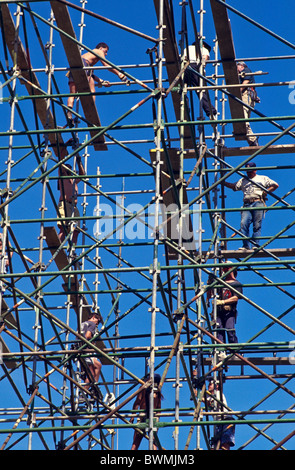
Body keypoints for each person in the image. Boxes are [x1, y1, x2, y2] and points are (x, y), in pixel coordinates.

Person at [66, 42, 128, 126]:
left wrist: (102, 81)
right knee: (92, 87)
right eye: (105, 51)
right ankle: (91, 107)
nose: (106, 54)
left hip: (74, 68)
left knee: (72, 94)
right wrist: (119, 74)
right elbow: (106, 64)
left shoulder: (88, 56)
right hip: (84, 66)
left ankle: (69, 113)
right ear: (101, 48)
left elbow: (92, 74)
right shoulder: (98, 51)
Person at [223, 162, 279, 250]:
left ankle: (255, 245)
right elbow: (234, 186)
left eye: (250, 171)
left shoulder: (262, 178)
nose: (249, 173)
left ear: (255, 170)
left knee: (257, 225)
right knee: (244, 224)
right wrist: (223, 182)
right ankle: (245, 246)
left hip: (258, 202)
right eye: (247, 171)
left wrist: (265, 192)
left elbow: (275, 185)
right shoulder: (243, 180)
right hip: (247, 204)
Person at [207, 264, 243, 350]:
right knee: (219, 331)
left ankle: (234, 350)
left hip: (228, 311)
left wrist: (223, 302)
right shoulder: (219, 283)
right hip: (218, 311)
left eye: (227, 268)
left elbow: (235, 298)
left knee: (230, 330)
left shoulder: (236, 283)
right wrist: (210, 283)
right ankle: (221, 351)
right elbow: (211, 293)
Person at [57, 146, 85, 246]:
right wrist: (65, 146)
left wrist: (78, 160)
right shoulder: (62, 177)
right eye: (67, 167)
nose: (68, 168)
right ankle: (58, 246)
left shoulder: (74, 181)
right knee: (63, 228)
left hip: (73, 206)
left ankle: (72, 250)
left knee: (76, 230)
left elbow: (83, 174)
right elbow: (60, 161)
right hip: (64, 204)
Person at [183, 40, 217, 118]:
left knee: (182, 90)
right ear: (203, 45)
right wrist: (202, 67)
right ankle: (210, 112)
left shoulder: (187, 48)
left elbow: (183, 58)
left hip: (184, 68)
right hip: (195, 66)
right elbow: (205, 58)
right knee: (201, 90)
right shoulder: (203, 49)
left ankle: (185, 110)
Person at [130, 374, 163, 450]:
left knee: (136, 443)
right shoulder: (157, 392)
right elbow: (159, 408)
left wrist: (132, 416)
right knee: (152, 441)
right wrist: (158, 418)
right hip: (149, 416)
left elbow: (137, 403)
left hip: (144, 416)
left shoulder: (145, 389)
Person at [206, 380, 235, 450]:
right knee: (216, 446)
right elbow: (197, 394)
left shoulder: (218, 393)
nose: (208, 386)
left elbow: (212, 404)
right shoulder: (209, 396)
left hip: (226, 420)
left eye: (210, 384)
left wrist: (205, 400)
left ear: (217, 386)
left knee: (225, 444)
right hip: (219, 423)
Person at [237, 61, 260, 146]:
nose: (237, 69)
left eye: (237, 66)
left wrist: (236, 91)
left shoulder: (246, 70)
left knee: (243, 117)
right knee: (244, 118)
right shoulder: (247, 71)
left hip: (246, 94)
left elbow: (246, 81)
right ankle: (251, 140)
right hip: (250, 96)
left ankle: (253, 139)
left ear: (241, 66)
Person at [80, 312, 102, 396]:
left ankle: (93, 385)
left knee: (98, 365)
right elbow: (88, 335)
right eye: (97, 321)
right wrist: (92, 343)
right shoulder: (92, 324)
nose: (97, 323)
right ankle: (84, 392)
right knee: (91, 373)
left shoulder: (83, 324)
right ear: (93, 317)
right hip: (85, 349)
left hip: (79, 347)